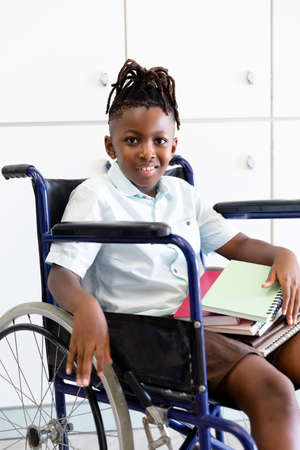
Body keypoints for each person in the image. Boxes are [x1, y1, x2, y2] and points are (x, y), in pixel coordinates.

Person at [47, 59, 300, 450]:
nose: (147, 152)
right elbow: (61, 275)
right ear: (110, 144)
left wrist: (282, 254)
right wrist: (86, 308)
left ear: (174, 144)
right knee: (273, 391)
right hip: (149, 334)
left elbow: (239, 246)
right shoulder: (95, 197)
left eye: (159, 141)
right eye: (133, 140)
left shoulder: (181, 195)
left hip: (206, 319)